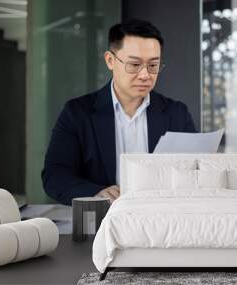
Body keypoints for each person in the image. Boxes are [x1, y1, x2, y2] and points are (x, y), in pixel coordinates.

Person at [41, 19, 197, 205]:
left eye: (153, 65)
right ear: (110, 60)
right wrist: (96, 193)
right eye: (134, 65)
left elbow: (196, 171)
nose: (145, 75)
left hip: (162, 217)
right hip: (105, 221)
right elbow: (55, 175)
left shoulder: (176, 113)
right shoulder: (77, 113)